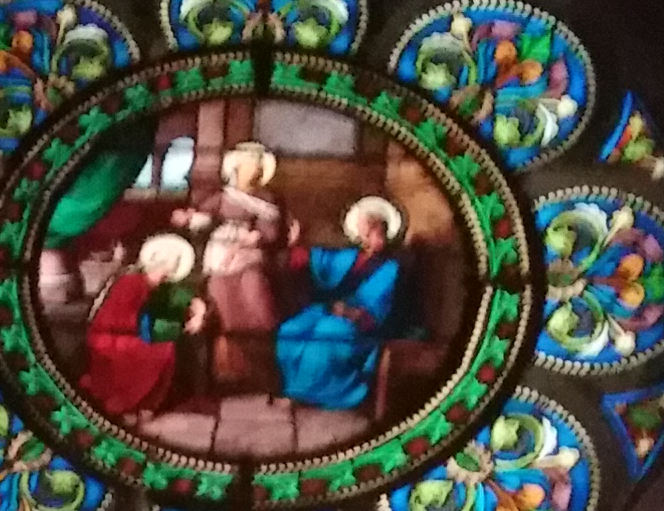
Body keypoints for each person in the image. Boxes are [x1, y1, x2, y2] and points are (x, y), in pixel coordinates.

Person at [274, 191, 422, 417]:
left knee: (327, 333)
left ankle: (302, 394)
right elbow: (314, 260)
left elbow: (382, 307)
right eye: (367, 230)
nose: (372, 236)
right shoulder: (349, 256)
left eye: (376, 230)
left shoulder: (393, 267)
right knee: (291, 330)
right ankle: (295, 387)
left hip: (362, 324)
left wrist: (350, 312)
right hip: (329, 311)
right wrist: (296, 243)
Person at [189, 141, 292, 393]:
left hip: (249, 254)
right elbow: (203, 218)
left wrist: (252, 238)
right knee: (221, 304)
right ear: (236, 168)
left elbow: (271, 231)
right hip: (220, 255)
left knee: (257, 302)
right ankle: (227, 375)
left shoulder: (267, 198)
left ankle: (263, 372)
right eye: (248, 165)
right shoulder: (223, 195)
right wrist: (192, 218)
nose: (253, 170)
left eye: (257, 167)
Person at [80, 228, 203, 419]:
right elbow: (125, 320)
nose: (168, 274)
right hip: (112, 338)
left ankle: (144, 404)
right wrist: (173, 325)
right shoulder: (131, 282)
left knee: (165, 346)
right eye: (167, 269)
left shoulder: (152, 284)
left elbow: (183, 298)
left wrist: (197, 311)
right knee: (164, 349)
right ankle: (131, 403)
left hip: (127, 336)